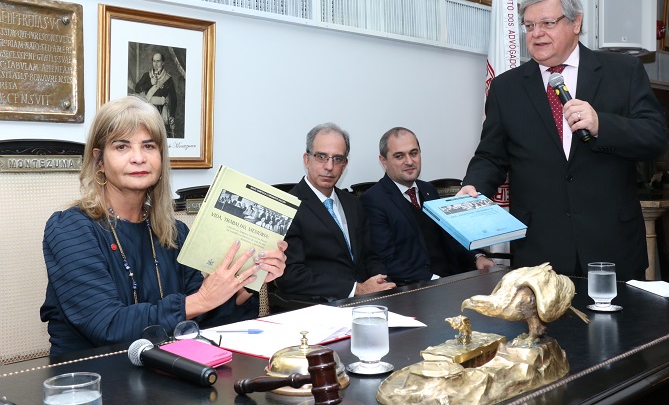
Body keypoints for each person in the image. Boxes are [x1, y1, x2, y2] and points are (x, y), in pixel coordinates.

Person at [40, 96, 287, 355]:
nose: (138, 158)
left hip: (170, 366)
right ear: (99, 160)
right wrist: (201, 300)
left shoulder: (175, 233)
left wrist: (247, 281)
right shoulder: (70, 229)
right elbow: (106, 325)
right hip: (92, 372)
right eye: (122, 147)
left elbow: (204, 321)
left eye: (148, 146)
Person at [458, 0, 669, 281]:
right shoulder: (506, 88)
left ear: (576, 22)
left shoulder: (622, 72)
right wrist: (474, 186)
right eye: (529, 25)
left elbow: (656, 137)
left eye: (547, 23)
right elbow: (491, 156)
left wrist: (602, 124)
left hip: (612, 243)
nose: (536, 33)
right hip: (540, 247)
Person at [273, 123, 396, 302]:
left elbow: (370, 256)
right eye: (322, 157)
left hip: (368, 299)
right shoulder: (287, 206)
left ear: (345, 165)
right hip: (321, 304)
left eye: (338, 159)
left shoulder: (353, 203)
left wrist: (383, 283)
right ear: (307, 160)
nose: (329, 166)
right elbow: (291, 276)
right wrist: (356, 289)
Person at [361, 127, 496, 286]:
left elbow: (449, 237)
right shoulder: (373, 200)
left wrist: (477, 258)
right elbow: (387, 259)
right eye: (399, 156)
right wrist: (433, 280)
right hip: (416, 289)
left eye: (413, 153)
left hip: (453, 279)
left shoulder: (429, 190)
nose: (409, 161)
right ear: (384, 161)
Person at [134, 52, 178, 137]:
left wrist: (172, 115)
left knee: (163, 136)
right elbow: (137, 89)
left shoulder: (168, 78)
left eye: (158, 61)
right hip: (148, 110)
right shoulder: (147, 76)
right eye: (154, 61)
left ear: (162, 62)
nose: (156, 64)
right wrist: (150, 83)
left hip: (162, 112)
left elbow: (173, 98)